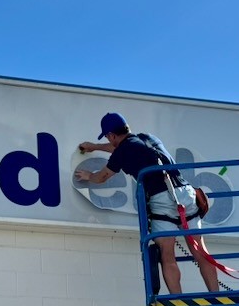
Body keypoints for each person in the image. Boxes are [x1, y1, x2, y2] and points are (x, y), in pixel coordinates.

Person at [75, 113, 220, 294]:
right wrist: (95, 147)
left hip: (162, 199)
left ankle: (178, 300)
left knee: (167, 256)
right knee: (200, 252)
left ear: (111, 135)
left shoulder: (122, 152)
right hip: (185, 193)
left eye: (107, 137)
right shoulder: (148, 138)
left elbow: (102, 176)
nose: (108, 140)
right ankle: (216, 295)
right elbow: (123, 148)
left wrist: (89, 176)